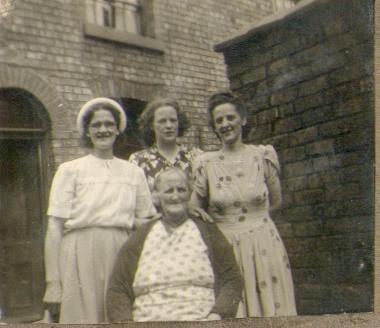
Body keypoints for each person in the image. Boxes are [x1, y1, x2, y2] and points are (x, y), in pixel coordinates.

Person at [42, 97, 156, 323]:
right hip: (78, 254)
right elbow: (54, 228)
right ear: (87, 131)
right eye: (96, 125)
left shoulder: (133, 172)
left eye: (108, 124)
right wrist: (53, 283)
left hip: (121, 252)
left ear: (118, 130)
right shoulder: (70, 170)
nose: (103, 130)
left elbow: (146, 223)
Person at [191, 91, 297, 317]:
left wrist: (255, 222)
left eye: (230, 117)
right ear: (214, 127)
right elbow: (194, 207)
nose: (225, 124)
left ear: (243, 120)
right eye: (219, 120)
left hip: (263, 244)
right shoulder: (206, 163)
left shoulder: (262, 156)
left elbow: (276, 201)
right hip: (226, 246)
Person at [106, 168, 243, 322]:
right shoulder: (140, 237)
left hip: (202, 320)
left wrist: (217, 314)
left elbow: (232, 278)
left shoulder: (208, 231)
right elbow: (118, 289)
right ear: (156, 196)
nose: (175, 196)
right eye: (168, 191)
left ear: (190, 193)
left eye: (181, 190)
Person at [129, 97, 202, 193]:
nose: (168, 125)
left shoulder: (196, 156)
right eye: (162, 121)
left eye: (173, 120)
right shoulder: (138, 161)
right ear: (151, 125)